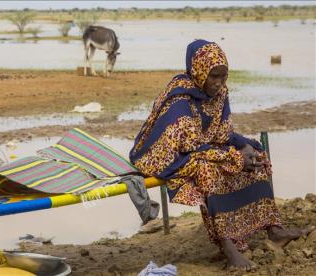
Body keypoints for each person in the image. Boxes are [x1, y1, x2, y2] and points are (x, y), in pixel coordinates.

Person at [129, 39, 314, 270]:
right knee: (208, 169)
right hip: (166, 157)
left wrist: (246, 146)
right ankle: (228, 246)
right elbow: (190, 147)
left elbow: (222, 134)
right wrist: (235, 157)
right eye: (213, 76)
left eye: (223, 77)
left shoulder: (219, 93)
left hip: (198, 148)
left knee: (253, 155)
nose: (218, 83)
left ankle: (274, 229)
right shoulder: (179, 100)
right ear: (199, 71)